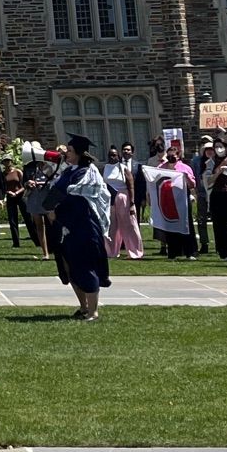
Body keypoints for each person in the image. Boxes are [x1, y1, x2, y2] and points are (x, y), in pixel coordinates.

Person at [45, 134, 111, 320]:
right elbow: (57, 191)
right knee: (69, 266)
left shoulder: (86, 173)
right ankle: (83, 307)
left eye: (70, 151)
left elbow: (75, 195)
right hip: (65, 224)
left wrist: (56, 208)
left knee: (84, 265)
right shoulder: (68, 171)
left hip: (84, 225)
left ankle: (93, 311)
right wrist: (50, 207)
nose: (66, 153)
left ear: (80, 153)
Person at [102, 146, 144, 260]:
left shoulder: (123, 168)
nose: (112, 157)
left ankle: (135, 252)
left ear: (118, 156)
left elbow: (131, 186)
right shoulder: (104, 168)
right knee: (112, 227)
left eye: (114, 155)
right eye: (110, 155)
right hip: (109, 200)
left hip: (123, 198)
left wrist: (132, 203)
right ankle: (112, 252)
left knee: (129, 225)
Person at [1, 152, 26, 248]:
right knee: (12, 220)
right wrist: (8, 193)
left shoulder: (18, 171)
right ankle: (16, 242)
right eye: (5, 161)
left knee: (27, 217)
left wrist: (17, 192)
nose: (7, 163)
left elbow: (24, 185)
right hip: (10, 197)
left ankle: (36, 238)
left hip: (20, 196)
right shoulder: (2, 174)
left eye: (8, 161)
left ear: (11, 161)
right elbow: (2, 187)